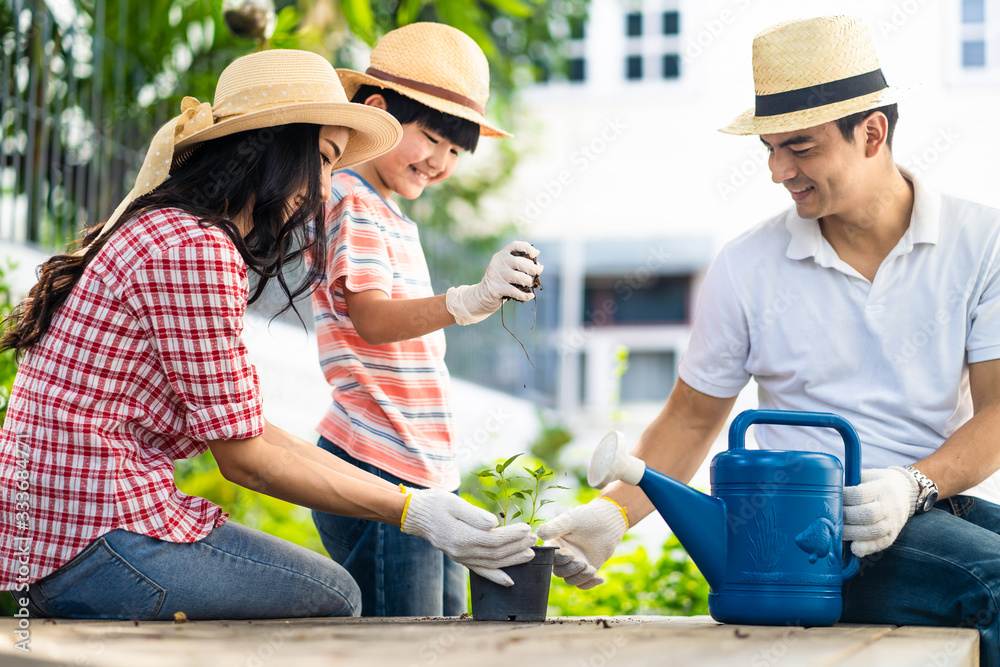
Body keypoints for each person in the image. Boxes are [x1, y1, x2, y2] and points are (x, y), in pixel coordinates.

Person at [0, 48, 536, 621]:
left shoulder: (179, 232)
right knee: (335, 597)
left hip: (61, 528)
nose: (328, 188)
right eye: (326, 160)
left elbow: (245, 428)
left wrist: (417, 502)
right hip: (88, 538)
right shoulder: (196, 250)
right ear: (277, 148)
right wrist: (409, 511)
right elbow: (246, 459)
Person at [538, 15, 1000, 666]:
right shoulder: (748, 265)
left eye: (801, 147)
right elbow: (691, 419)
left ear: (873, 132)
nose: (779, 169)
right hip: (802, 539)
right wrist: (612, 515)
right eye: (770, 148)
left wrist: (911, 484)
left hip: (925, 509)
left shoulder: (981, 242)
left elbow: (997, 415)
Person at [308, 22, 544, 617]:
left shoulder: (387, 212)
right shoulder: (353, 201)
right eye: (432, 137)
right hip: (377, 465)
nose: (441, 161)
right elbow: (372, 321)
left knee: (437, 629)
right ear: (380, 114)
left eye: (456, 150)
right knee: (406, 642)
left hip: (419, 468)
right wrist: (468, 301)